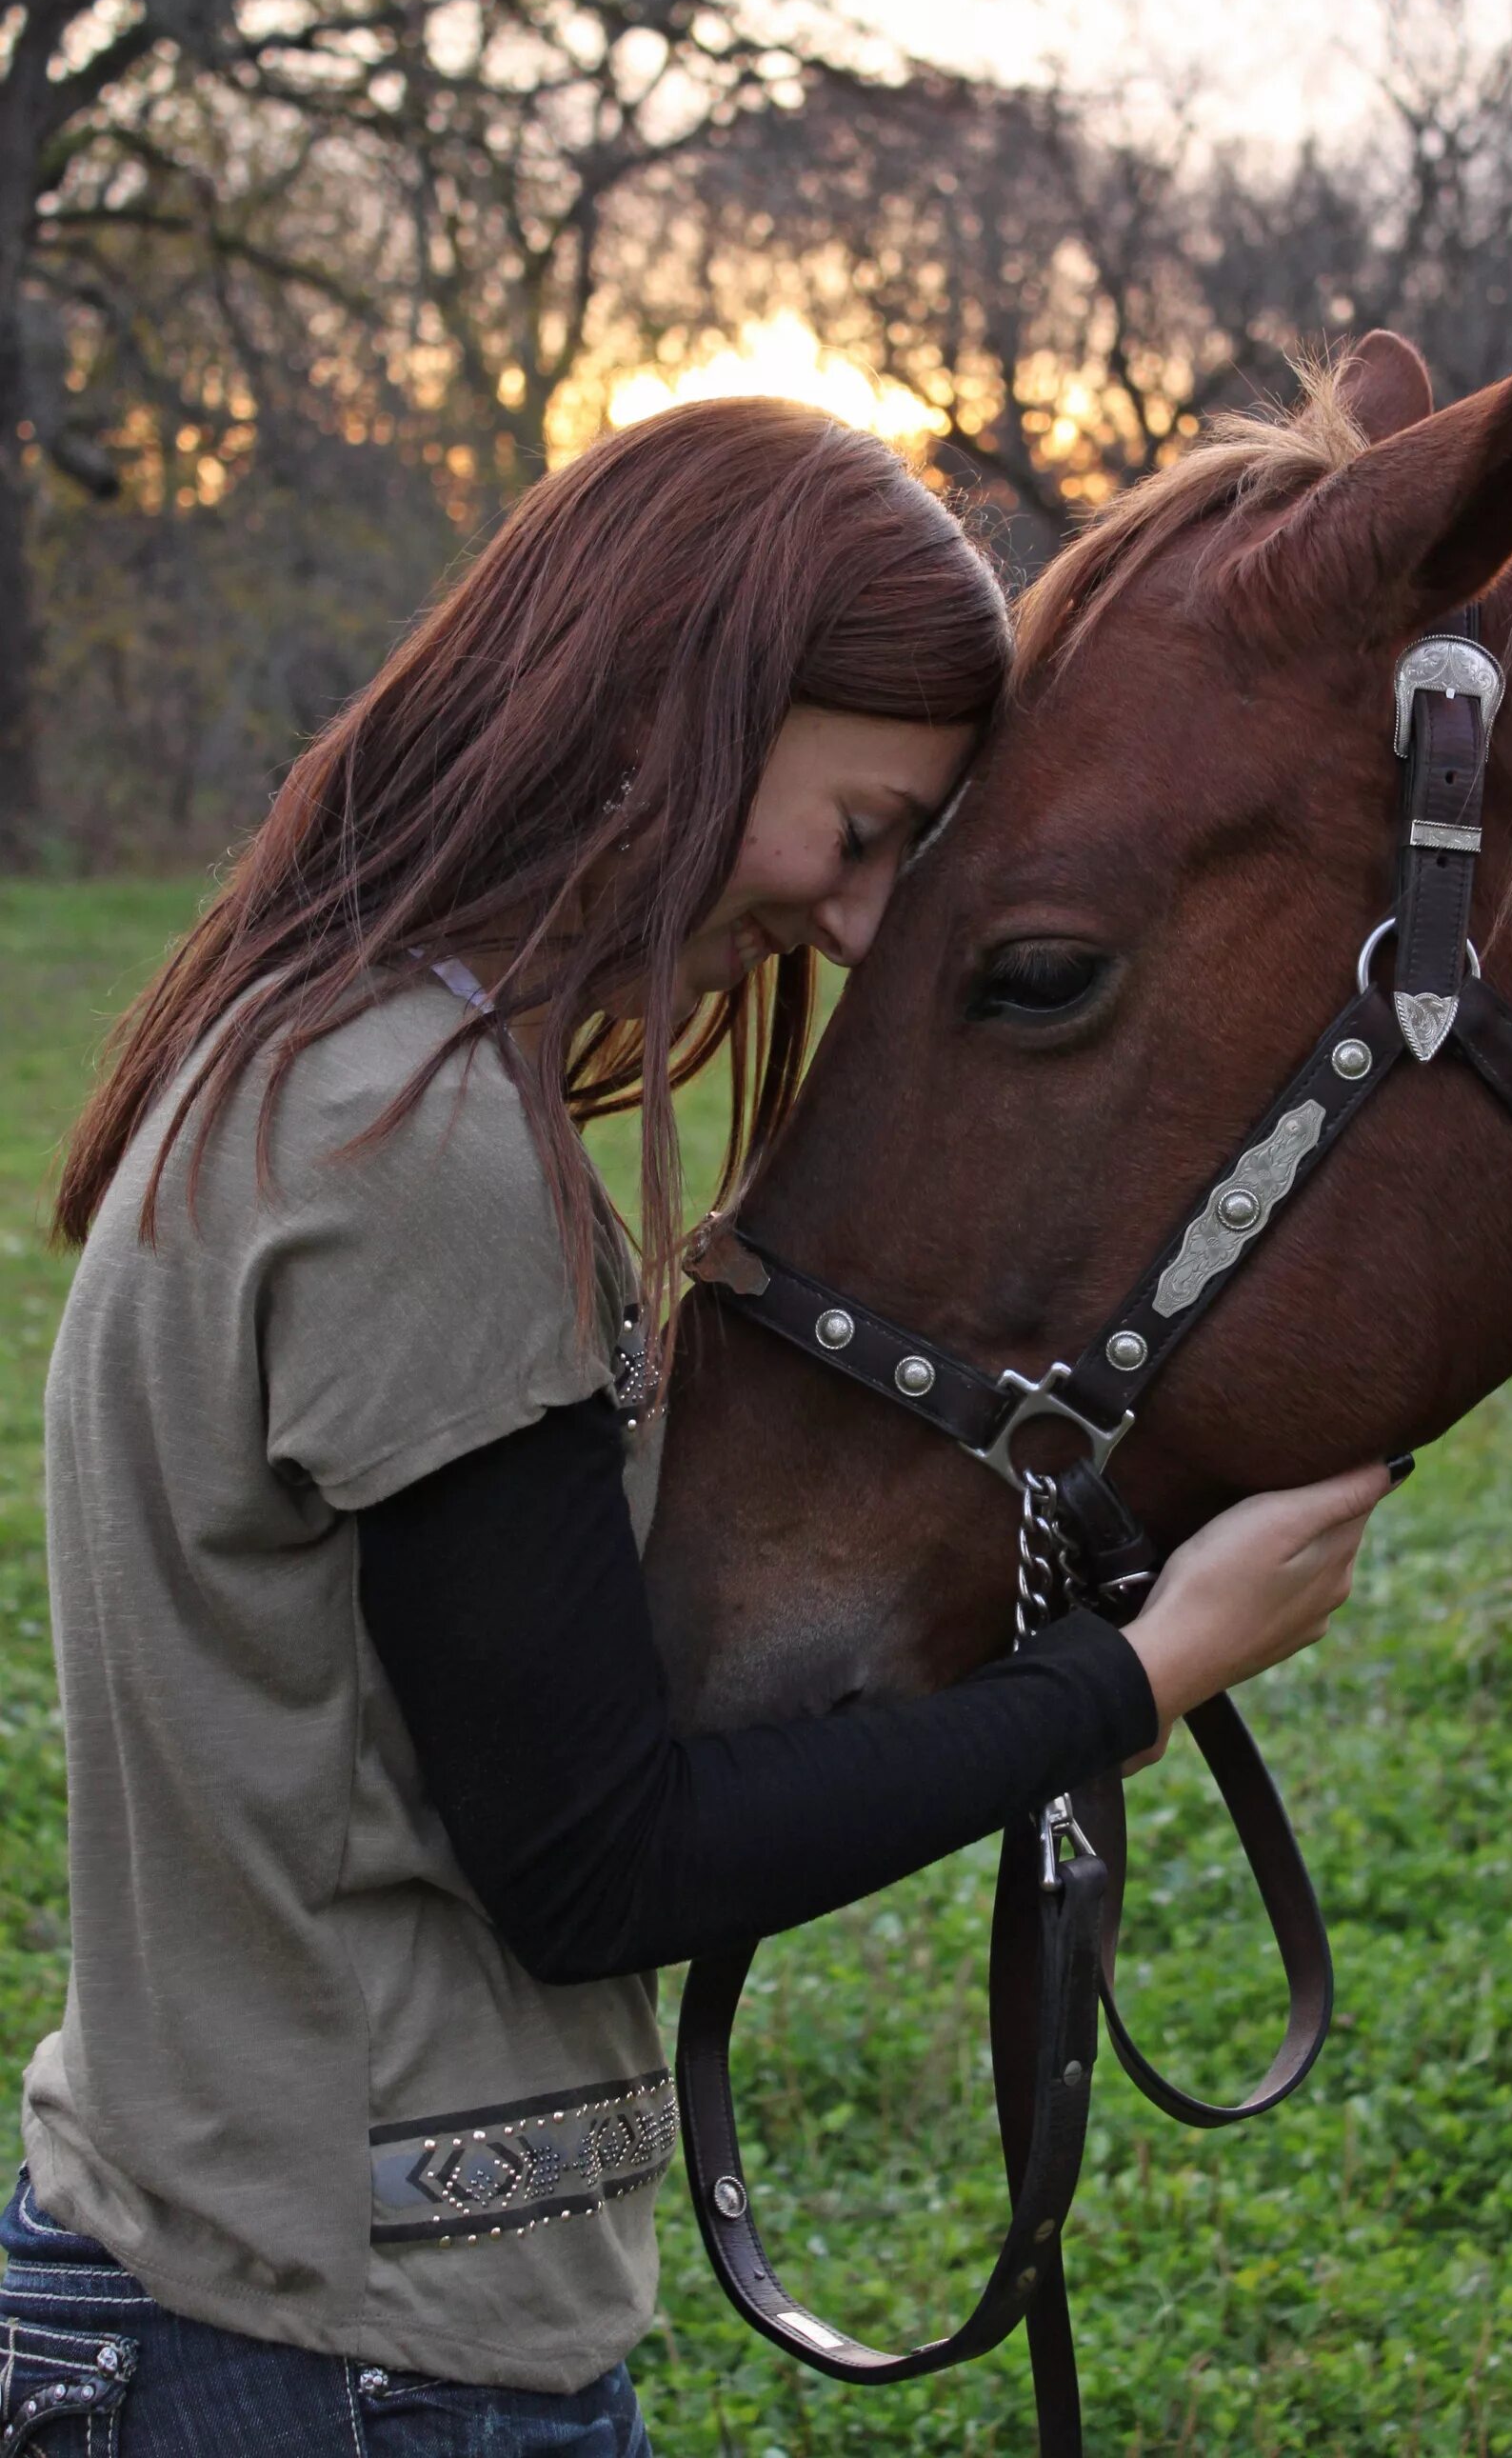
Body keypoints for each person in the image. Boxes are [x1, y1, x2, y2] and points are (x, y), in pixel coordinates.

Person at [2, 399, 1391, 2455]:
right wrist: (1146, 1674)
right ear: (667, 716)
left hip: (242, 2299)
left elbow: (530, 1726)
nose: (855, 927)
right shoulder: (421, 1149)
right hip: (332, 2364)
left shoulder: (320, 1060)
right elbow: (600, 1864)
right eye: (861, 830)